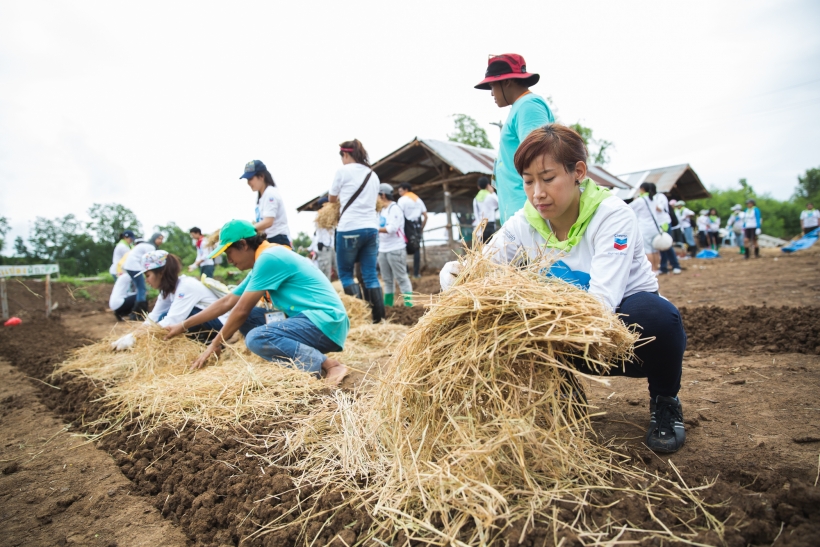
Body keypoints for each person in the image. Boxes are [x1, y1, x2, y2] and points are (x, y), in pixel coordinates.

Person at [440, 124, 686, 453]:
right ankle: (562, 401)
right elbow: (479, 267)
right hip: (568, 339)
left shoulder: (611, 215)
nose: (537, 193)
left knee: (659, 316)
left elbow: (601, 304)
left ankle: (665, 400)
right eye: (528, 181)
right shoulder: (524, 223)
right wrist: (457, 277)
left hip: (624, 337)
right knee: (503, 312)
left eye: (548, 177)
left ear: (578, 172)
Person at [164, 220, 349, 386]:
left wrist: (215, 344)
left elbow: (240, 309)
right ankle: (305, 362)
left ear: (243, 245)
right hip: (308, 320)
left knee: (256, 337)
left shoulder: (270, 258)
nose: (229, 260)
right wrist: (182, 325)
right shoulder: (263, 260)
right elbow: (227, 301)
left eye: (229, 253)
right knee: (250, 320)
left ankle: (328, 365)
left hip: (325, 321)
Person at [475, 53, 555, 224]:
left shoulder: (528, 105)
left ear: (507, 81)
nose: (491, 93)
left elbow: (539, 157)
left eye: (492, 86)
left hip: (528, 212)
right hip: (518, 214)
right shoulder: (519, 107)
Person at [329, 139, 384, 323]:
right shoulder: (372, 174)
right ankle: (379, 320)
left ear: (345, 154)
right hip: (371, 229)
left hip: (349, 228)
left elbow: (332, 198)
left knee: (345, 274)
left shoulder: (342, 172)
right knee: (370, 275)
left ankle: (361, 319)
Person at [241, 160, 292, 247]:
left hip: (277, 239)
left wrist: (246, 230)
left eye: (250, 178)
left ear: (261, 176)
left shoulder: (270, 194)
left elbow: (268, 222)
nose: (248, 183)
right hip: (270, 239)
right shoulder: (262, 197)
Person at [378, 183, 413, 307]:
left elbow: (392, 228)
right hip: (382, 249)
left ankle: (409, 305)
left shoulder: (395, 208)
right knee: (387, 280)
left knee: (401, 278)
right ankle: (388, 306)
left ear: (382, 195)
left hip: (396, 249)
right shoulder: (381, 210)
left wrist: (375, 229)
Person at [122, 232, 164, 319]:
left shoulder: (147, 245)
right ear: (154, 238)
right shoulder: (150, 247)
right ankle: (138, 314)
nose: (161, 241)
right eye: (159, 238)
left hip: (130, 266)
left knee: (140, 289)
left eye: (162, 239)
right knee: (142, 289)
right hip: (134, 267)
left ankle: (138, 313)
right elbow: (152, 262)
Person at [629, 182, 667, 275]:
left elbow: (628, 208)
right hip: (655, 227)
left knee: (647, 250)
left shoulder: (640, 200)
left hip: (645, 227)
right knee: (655, 249)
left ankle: (652, 270)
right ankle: (656, 269)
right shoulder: (653, 199)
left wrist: (635, 199)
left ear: (642, 189)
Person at [397, 183, 428, 278]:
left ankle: (406, 272)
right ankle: (416, 273)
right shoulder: (418, 199)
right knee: (416, 249)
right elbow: (426, 216)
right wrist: (421, 228)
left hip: (406, 227)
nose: (399, 193)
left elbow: (399, 215)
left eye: (400, 191)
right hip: (417, 226)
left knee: (402, 248)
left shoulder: (402, 200)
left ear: (406, 189)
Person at [472, 176, 499, 244]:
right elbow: (498, 203)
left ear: (478, 187)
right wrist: (492, 192)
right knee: (492, 245)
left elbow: (476, 213)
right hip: (490, 224)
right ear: (487, 185)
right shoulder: (490, 196)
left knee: (483, 247)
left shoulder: (475, 199)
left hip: (481, 225)